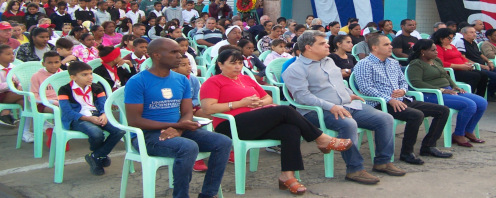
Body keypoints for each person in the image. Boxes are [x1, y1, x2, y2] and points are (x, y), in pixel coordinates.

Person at [201, 48, 352, 194]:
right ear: (220, 65)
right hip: (231, 125)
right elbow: (208, 108)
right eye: (232, 63)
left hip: (257, 121)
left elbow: (268, 98)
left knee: (291, 130)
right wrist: (240, 104)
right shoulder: (214, 82)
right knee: (285, 110)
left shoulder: (246, 79)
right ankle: (322, 138)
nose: (237, 66)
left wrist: (260, 103)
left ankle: (287, 176)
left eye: (240, 63)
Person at [283, 31, 405, 185]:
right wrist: (331, 106)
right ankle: (355, 169)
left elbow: (338, 83)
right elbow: (302, 97)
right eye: (322, 43)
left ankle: (383, 161)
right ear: (309, 47)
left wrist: (349, 94)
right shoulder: (295, 69)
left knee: (385, 118)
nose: (328, 45)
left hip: (346, 105)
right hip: (316, 112)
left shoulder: (328, 61)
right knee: (349, 124)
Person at [124, 38, 232, 198]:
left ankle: (209, 194)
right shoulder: (137, 81)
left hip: (178, 129)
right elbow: (134, 121)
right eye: (173, 52)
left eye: (179, 51)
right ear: (156, 55)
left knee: (223, 142)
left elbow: (188, 111)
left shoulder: (181, 80)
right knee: (188, 147)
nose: (180, 55)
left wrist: (179, 128)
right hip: (148, 136)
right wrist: (176, 126)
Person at [354, 35, 452, 163]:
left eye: (390, 44)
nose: (391, 47)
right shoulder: (364, 64)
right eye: (386, 45)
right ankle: (407, 153)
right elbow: (366, 88)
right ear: (374, 47)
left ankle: (428, 146)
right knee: (416, 115)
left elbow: (403, 81)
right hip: (380, 104)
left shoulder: (393, 62)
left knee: (443, 110)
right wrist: (389, 99)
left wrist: (403, 90)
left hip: (402, 99)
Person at [407, 39, 488, 147]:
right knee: (469, 105)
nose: (436, 52)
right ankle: (458, 134)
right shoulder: (416, 64)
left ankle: (468, 131)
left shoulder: (436, 61)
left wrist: (455, 86)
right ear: (423, 51)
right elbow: (416, 83)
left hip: (448, 90)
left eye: (436, 49)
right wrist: (442, 90)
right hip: (432, 94)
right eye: (433, 50)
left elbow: (445, 75)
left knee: (482, 102)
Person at [57, 61, 124, 175]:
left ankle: (95, 156)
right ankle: (100, 156)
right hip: (78, 118)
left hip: (97, 115)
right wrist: (88, 119)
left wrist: (104, 114)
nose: (90, 77)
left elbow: (103, 104)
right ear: (73, 77)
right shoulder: (64, 90)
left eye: (90, 73)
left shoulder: (96, 87)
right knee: (96, 134)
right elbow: (67, 111)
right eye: (84, 75)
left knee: (119, 131)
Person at [432, 28, 488, 97]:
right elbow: (441, 63)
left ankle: (480, 96)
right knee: (475, 76)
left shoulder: (452, 46)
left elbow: (461, 57)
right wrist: (460, 66)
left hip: (462, 69)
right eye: (449, 38)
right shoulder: (438, 48)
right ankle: (468, 95)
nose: (451, 40)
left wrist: (466, 63)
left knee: (483, 75)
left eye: (452, 38)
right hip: (451, 72)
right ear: (441, 38)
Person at [458, 26, 496, 101]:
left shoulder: (474, 42)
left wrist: (489, 61)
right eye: (471, 32)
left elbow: (479, 54)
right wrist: (481, 65)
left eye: (475, 32)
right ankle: (489, 93)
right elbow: (463, 57)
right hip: (475, 67)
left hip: (483, 65)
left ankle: (491, 92)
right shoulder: (461, 42)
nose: (474, 34)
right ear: (464, 34)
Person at [0, 44, 23, 126]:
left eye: (12, 54)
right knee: (24, 94)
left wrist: (20, 85)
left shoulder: (14, 67)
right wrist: (10, 84)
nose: (12, 56)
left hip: (13, 93)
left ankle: (29, 121)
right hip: (2, 94)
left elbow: (20, 79)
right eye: (8, 54)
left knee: (23, 101)